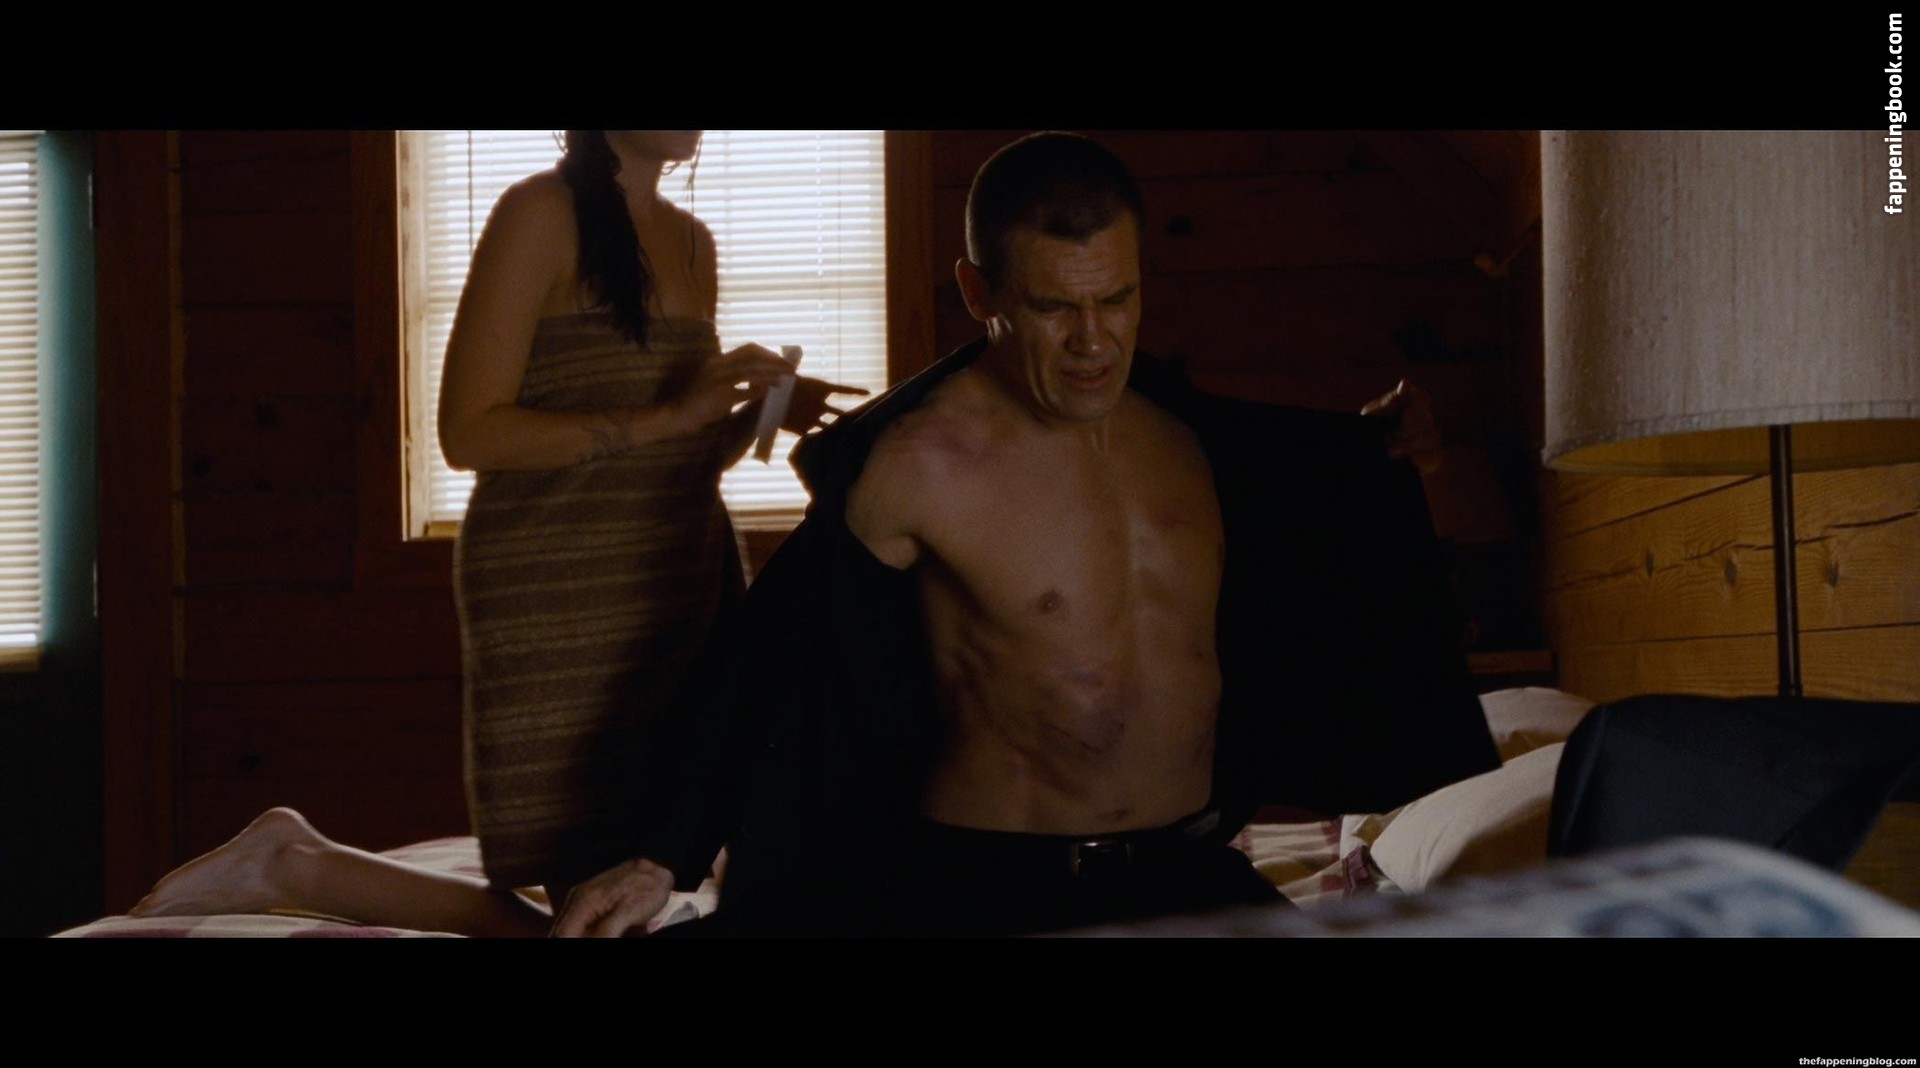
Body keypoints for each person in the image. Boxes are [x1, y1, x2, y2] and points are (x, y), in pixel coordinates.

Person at [554, 132, 1488, 938]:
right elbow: (765, 659)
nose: (1093, 342)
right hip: (994, 890)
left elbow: (1309, 503)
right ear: (979, 290)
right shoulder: (920, 465)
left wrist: (1377, 449)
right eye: (1052, 309)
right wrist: (661, 854)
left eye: (1116, 299)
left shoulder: (1196, 440)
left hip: (1185, 873)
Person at [128, 130, 863, 935]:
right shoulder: (539, 212)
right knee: (595, 909)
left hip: (678, 585)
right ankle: (293, 862)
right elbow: (471, 431)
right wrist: (675, 414)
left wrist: (759, 414)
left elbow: (668, 453)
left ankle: (294, 860)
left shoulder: (693, 240)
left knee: (645, 883)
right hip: (559, 593)